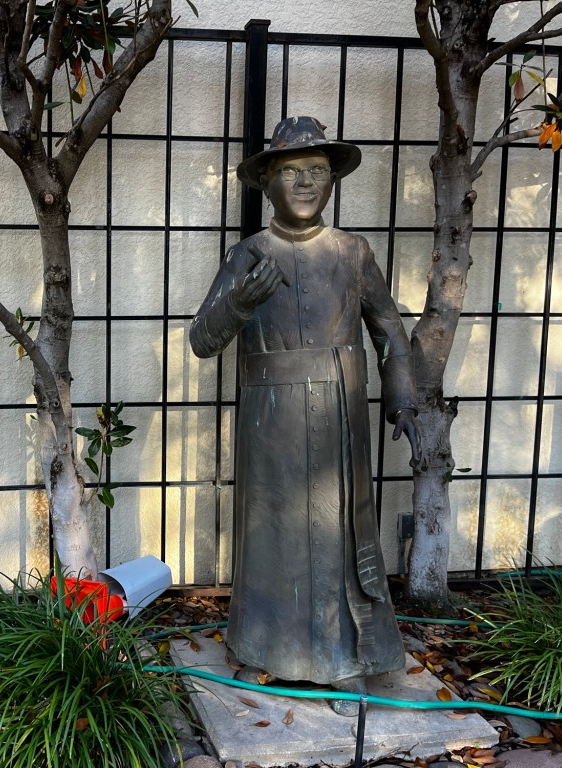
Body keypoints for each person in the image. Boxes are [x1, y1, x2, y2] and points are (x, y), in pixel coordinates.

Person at [189, 116, 421, 716]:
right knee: (270, 536)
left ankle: (346, 661)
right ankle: (262, 646)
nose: (305, 182)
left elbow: (388, 329)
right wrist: (239, 303)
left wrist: (401, 395)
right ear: (267, 181)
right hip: (270, 424)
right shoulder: (248, 254)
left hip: (339, 417)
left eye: (317, 171)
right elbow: (202, 339)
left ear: (332, 180)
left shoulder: (353, 252)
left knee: (338, 537)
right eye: (291, 171)